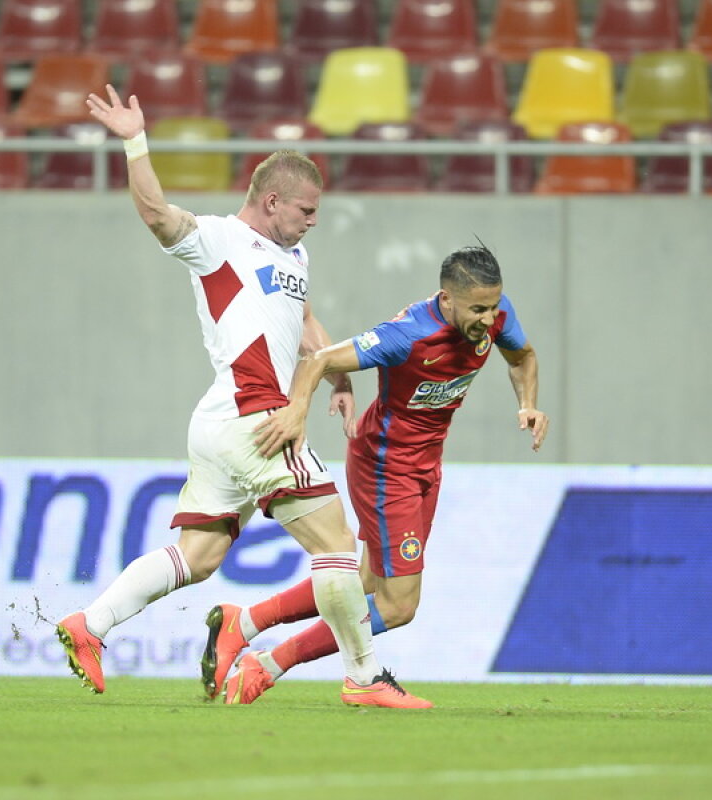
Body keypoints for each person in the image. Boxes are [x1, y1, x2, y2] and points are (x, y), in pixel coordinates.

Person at [55, 85, 429, 710]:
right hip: (259, 419)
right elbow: (156, 213)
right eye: (306, 210)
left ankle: (88, 626)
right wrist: (134, 140)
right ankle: (364, 676)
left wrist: (335, 372)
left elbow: (300, 316)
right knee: (336, 547)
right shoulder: (218, 240)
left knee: (197, 557)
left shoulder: (294, 253)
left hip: (222, 420)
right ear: (272, 200)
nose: (315, 220)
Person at [200, 243, 549, 705]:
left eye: (493, 306)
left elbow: (522, 356)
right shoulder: (406, 335)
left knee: (364, 582)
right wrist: (297, 411)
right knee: (398, 604)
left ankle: (242, 624)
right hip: (387, 465)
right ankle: (270, 665)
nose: (489, 320)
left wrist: (527, 404)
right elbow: (317, 360)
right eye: (477, 309)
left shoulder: (496, 315)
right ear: (447, 300)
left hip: (426, 463)